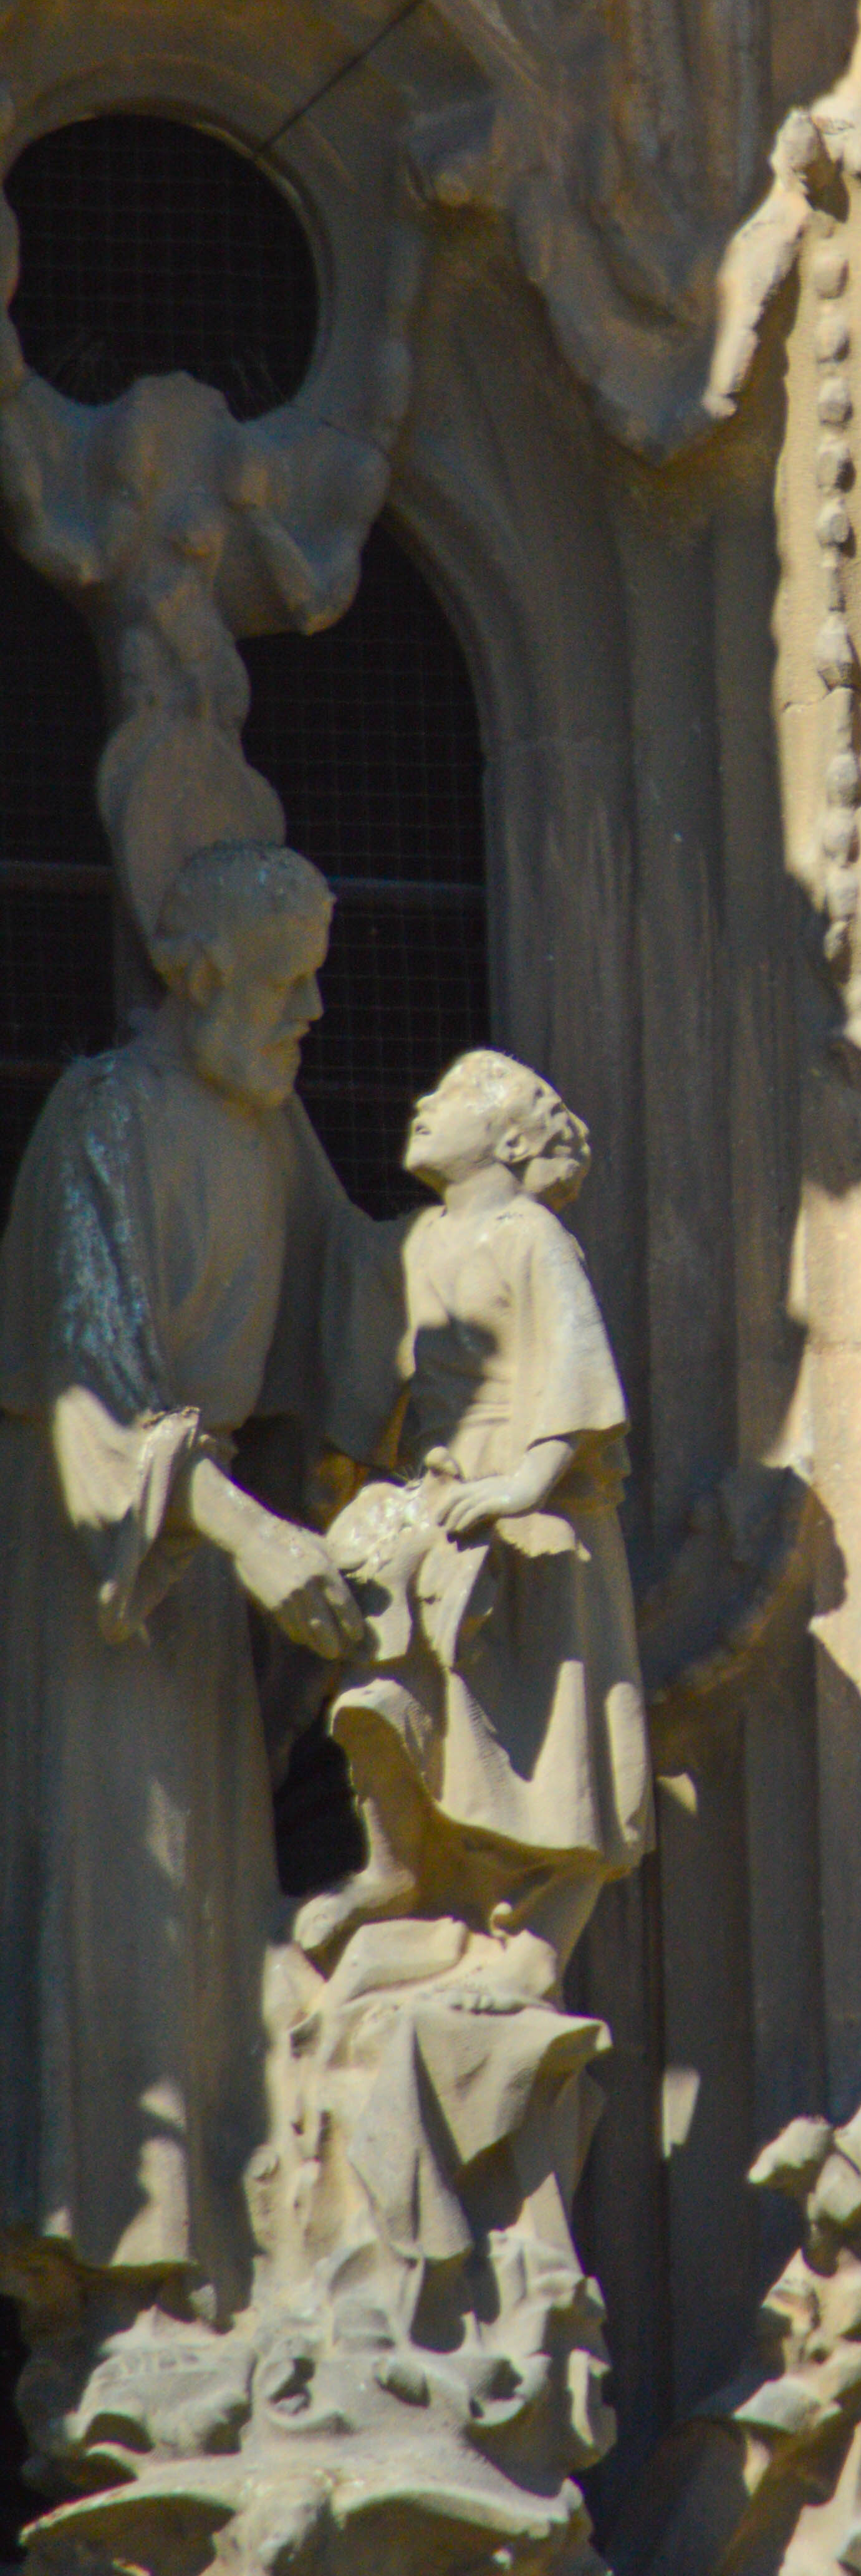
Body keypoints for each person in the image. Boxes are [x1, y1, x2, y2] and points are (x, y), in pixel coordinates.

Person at [0, 841, 362, 2327]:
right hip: (109, 1581)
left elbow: (364, 1289)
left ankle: (221, 2260)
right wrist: (258, 1536)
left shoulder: (271, 1134)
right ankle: (116, 2278)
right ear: (201, 973)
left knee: (220, 1898)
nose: (316, 1009)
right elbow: (89, 1389)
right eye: (290, 977)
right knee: (125, 1885)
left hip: (209, 1582)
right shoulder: (105, 1115)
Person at [303, 1051, 650, 1972]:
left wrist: (525, 1484)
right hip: (435, 1495)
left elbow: (574, 1366)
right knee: (379, 1693)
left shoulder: (534, 1236)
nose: (421, 1100)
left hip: (527, 1514)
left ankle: (538, 1938)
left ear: (508, 1140)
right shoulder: (407, 1245)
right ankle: (392, 1864)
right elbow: (368, 1380)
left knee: (548, 1739)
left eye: (450, 1094)